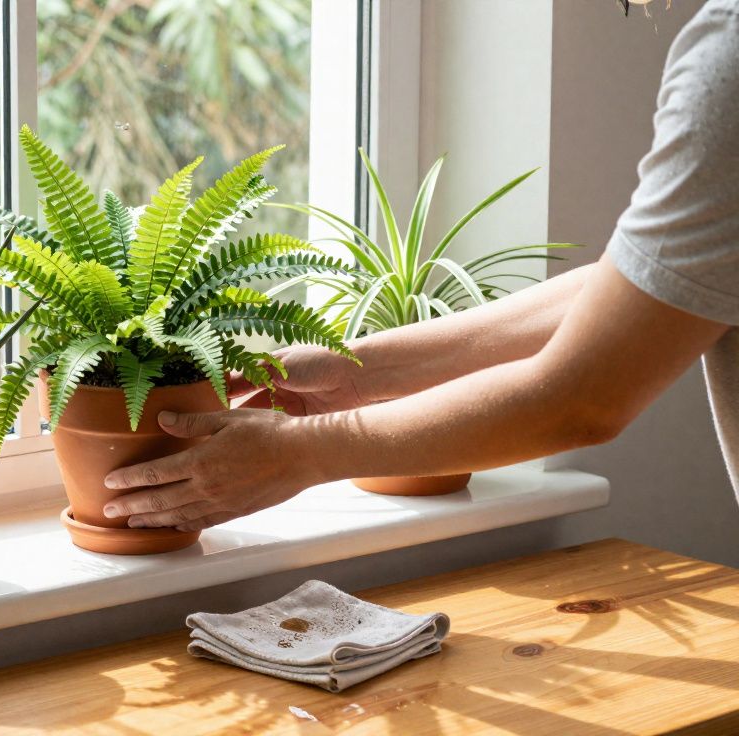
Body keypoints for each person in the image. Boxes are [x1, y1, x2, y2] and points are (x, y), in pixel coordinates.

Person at [102, 0, 739, 533]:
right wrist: (363, 371)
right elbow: (643, 293)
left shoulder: (728, 60)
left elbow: (584, 398)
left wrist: (299, 454)